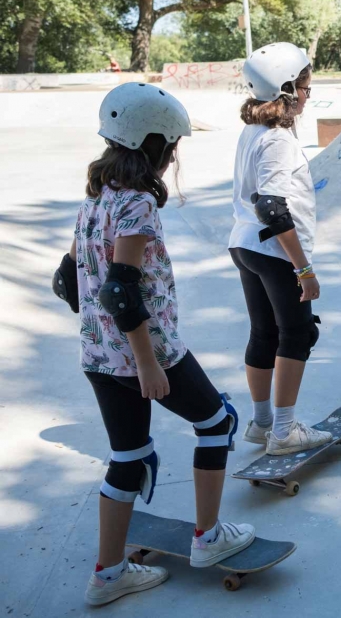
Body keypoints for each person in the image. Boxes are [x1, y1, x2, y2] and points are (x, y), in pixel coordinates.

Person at [51, 83, 254, 606]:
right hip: (150, 351)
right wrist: (143, 361)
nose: (174, 156)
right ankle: (208, 539)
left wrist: (102, 331)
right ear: (155, 146)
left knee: (130, 457)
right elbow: (122, 287)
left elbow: (69, 280)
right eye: (172, 146)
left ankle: (109, 573)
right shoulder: (138, 203)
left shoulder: (93, 198)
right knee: (217, 423)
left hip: (98, 356)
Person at [229, 42, 332, 456]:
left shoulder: (252, 130)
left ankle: (262, 423)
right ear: (289, 89)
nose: (309, 93)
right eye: (306, 85)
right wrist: (304, 269)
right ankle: (285, 432)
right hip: (273, 253)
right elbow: (272, 208)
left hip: (244, 244)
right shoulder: (277, 139)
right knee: (298, 334)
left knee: (264, 332)